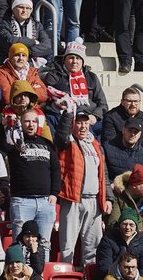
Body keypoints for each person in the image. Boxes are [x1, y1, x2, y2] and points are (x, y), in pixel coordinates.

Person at [6, 108, 61, 260]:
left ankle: (40, 274)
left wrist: (54, 194)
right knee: (19, 243)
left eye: (34, 121)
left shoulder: (47, 144)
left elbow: (56, 170)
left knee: (44, 243)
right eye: (27, 121)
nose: (31, 124)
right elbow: (1, 143)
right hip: (22, 201)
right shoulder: (14, 142)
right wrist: (4, 125)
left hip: (45, 202)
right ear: (21, 123)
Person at [54, 108, 107, 265]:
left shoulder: (95, 144)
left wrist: (108, 197)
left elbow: (103, 173)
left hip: (94, 201)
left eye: (86, 122)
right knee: (67, 247)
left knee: (93, 246)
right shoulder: (67, 141)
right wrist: (68, 114)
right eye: (79, 122)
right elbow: (60, 136)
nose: (83, 126)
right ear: (73, 124)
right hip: (72, 200)